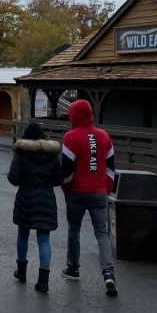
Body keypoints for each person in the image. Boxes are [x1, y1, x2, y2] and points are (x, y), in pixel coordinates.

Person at [61, 99, 118, 296]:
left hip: (76, 192)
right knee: (102, 233)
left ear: (73, 116)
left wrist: (65, 188)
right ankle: (108, 273)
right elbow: (110, 168)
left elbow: (67, 171)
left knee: (74, 230)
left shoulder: (70, 137)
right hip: (99, 191)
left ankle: (73, 268)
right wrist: (107, 190)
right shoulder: (104, 136)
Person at [8, 122, 62, 294]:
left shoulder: (21, 153)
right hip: (47, 199)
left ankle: (22, 272)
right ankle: (43, 281)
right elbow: (59, 179)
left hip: (26, 198)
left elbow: (13, 178)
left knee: (23, 235)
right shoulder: (51, 155)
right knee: (44, 240)